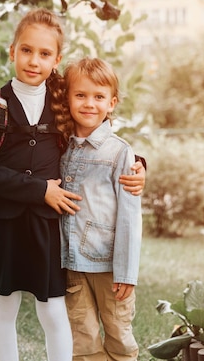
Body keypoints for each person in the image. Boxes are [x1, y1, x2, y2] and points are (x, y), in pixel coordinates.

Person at [0, 9, 145, 361]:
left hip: (47, 226)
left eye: (45, 54)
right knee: (4, 306)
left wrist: (138, 163)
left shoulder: (60, 98)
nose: (34, 61)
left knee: (52, 310)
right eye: (26, 50)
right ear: (12, 51)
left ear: (57, 59)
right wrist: (41, 190)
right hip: (1, 224)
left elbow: (92, 134)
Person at [59, 57, 143, 361]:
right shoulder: (60, 146)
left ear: (112, 103)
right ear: (67, 97)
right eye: (80, 95)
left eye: (98, 97)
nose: (89, 104)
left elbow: (130, 217)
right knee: (83, 340)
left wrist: (127, 272)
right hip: (72, 263)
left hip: (110, 266)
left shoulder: (120, 151)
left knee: (119, 335)